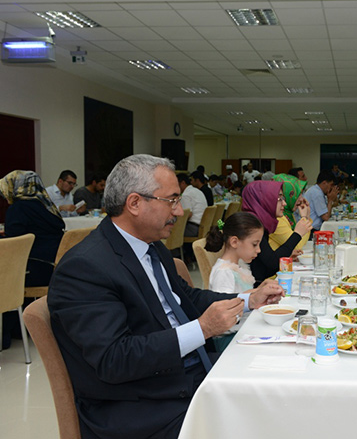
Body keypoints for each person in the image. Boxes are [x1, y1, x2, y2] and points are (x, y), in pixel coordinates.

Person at [48, 154, 283, 439]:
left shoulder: (152, 246)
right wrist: (202, 328)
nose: (180, 211)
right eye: (172, 200)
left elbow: (187, 298)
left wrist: (248, 300)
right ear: (135, 203)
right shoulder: (85, 267)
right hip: (142, 404)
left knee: (278, 392)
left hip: (184, 374)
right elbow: (115, 359)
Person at [1, 170, 65, 349]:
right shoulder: (47, 206)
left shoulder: (18, 208)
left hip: (34, 269)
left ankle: (5, 333)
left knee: (6, 275)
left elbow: (15, 244)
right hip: (52, 268)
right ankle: (19, 329)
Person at [204, 212, 265, 350]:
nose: (259, 250)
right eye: (254, 244)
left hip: (242, 331)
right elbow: (225, 318)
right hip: (229, 340)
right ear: (234, 242)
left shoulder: (238, 266)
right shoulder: (224, 273)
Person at [242, 180, 312, 284]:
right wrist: (297, 234)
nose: (284, 203)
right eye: (279, 199)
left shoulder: (258, 223)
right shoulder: (251, 227)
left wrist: (285, 256)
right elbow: (272, 263)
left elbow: (265, 268)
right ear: (264, 200)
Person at [269, 173, 312, 251]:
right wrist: (304, 218)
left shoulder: (288, 214)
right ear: (288, 195)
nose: (301, 199)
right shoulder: (277, 219)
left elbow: (301, 242)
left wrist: (307, 217)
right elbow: (296, 245)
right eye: (298, 194)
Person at [177, 173, 207, 237]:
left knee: (171, 232)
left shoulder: (186, 194)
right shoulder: (197, 191)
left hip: (193, 228)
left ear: (182, 183)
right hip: (203, 226)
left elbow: (188, 214)